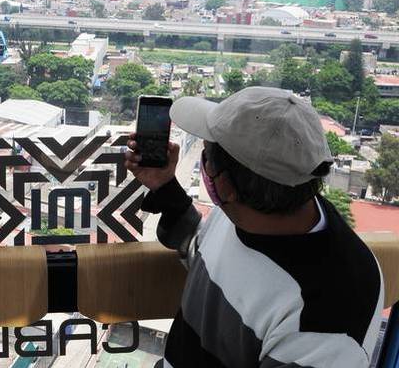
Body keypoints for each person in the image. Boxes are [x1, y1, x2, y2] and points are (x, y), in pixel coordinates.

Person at [125, 87, 384, 368]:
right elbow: (207, 257)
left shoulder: (327, 320)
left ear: (224, 185)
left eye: (206, 155)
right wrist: (166, 189)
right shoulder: (249, 211)